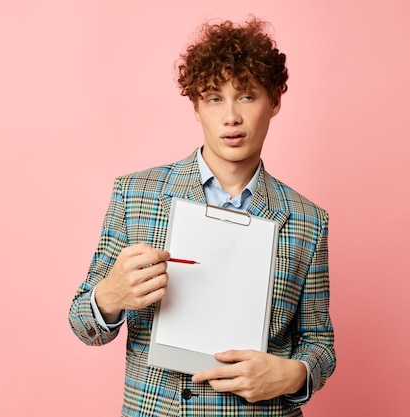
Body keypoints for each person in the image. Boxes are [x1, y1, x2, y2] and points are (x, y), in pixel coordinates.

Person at [68, 17, 335, 417]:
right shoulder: (136, 194)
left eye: (247, 96)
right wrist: (110, 297)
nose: (231, 116)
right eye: (213, 98)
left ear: (275, 101)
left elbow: (319, 340)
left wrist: (296, 374)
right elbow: (82, 324)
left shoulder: (307, 221)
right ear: (195, 106)